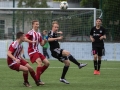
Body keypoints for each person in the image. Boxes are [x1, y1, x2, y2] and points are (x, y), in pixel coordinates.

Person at [25, 20, 50, 85]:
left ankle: (37, 75)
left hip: (37, 51)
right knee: (40, 62)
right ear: (32, 25)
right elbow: (25, 38)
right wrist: (31, 41)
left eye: (38, 24)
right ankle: (38, 80)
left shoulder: (38, 34)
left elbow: (41, 44)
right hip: (32, 51)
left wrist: (45, 41)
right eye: (36, 24)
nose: (37, 26)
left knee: (47, 63)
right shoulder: (30, 32)